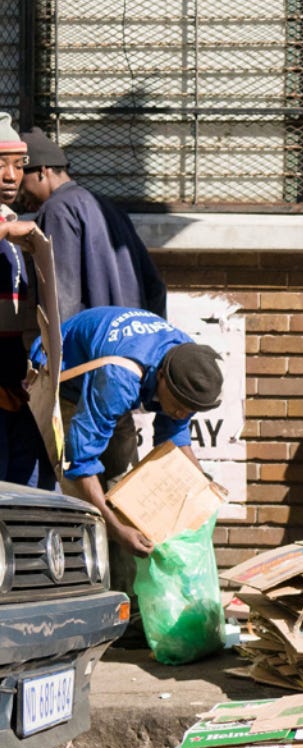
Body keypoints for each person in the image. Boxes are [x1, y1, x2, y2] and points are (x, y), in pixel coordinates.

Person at [28, 306, 222, 559]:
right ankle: (85, 572)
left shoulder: (188, 367)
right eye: (178, 405)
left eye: (190, 410)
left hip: (107, 387)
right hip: (63, 382)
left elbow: (174, 437)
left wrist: (203, 485)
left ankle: (124, 580)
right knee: (85, 512)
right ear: (161, 376)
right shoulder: (119, 380)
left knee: (130, 503)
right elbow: (80, 461)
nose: (181, 413)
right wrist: (116, 529)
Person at [18, 127, 166, 323]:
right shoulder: (108, 206)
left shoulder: (57, 210)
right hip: (132, 334)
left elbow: (61, 297)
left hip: (91, 337)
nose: (19, 194)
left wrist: (62, 339)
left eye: (21, 182)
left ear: (42, 171)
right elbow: (156, 287)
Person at [0, 113, 55, 489]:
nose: (11, 176)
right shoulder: (9, 228)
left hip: (19, 388)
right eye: (1, 165)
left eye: (19, 165)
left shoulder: (13, 223)